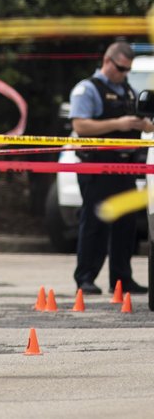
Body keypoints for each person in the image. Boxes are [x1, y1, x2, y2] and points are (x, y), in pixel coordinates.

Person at [68, 41, 153, 296]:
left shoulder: (127, 90)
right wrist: (120, 123)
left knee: (125, 226)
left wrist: (143, 125)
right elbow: (81, 126)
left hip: (124, 167)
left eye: (128, 69)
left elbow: (133, 122)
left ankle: (122, 279)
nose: (124, 74)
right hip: (97, 167)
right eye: (121, 68)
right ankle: (85, 278)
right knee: (95, 223)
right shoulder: (87, 90)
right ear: (107, 60)